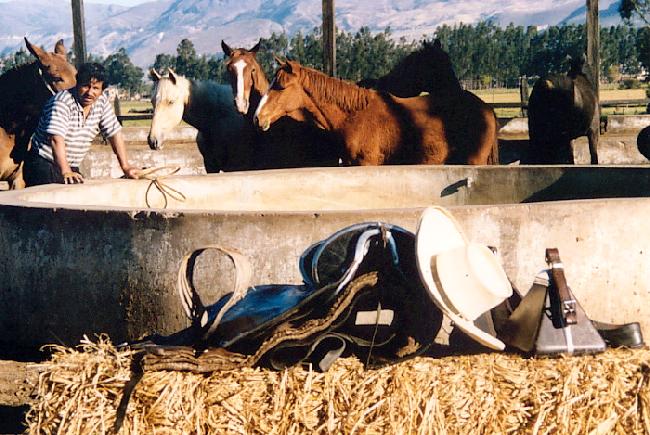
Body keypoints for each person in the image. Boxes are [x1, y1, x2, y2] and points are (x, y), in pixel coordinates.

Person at [24, 62, 140, 186]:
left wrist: (126, 167)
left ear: (102, 90)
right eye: (85, 86)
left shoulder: (101, 103)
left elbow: (114, 133)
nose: (90, 92)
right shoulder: (62, 102)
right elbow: (56, 140)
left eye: (95, 88)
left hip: (70, 165)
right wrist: (66, 171)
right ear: (77, 84)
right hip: (44, 163)